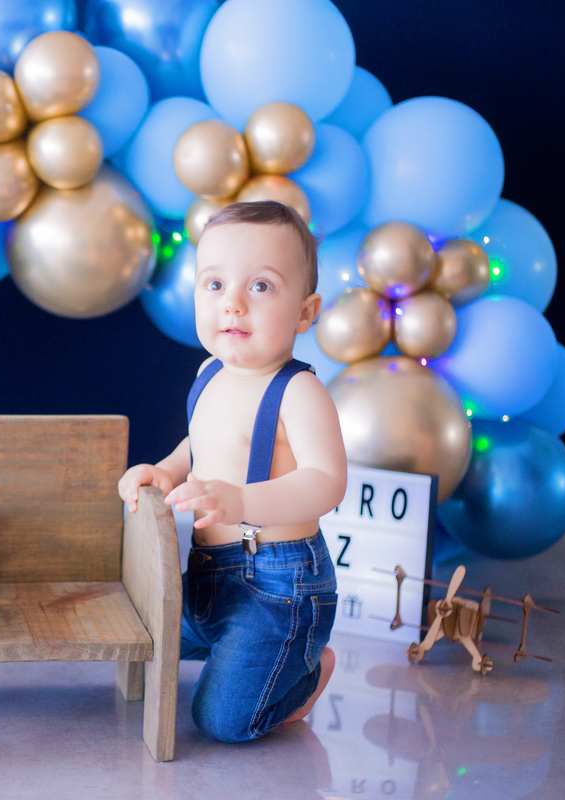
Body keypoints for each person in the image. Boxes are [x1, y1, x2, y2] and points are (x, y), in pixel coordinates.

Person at [119, 200, 348, 743]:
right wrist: (166, 470)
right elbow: (200, 444)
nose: (234, 305)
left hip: (277, 586)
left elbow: (326, 481)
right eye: (214, 285)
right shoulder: (209, 373)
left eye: (261, 287)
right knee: (140, 629)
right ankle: (236, 648)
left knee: (223, 723)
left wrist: (242, 501)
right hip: (208, 572)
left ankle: (305, 670)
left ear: (305, 312)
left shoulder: (300, 390)